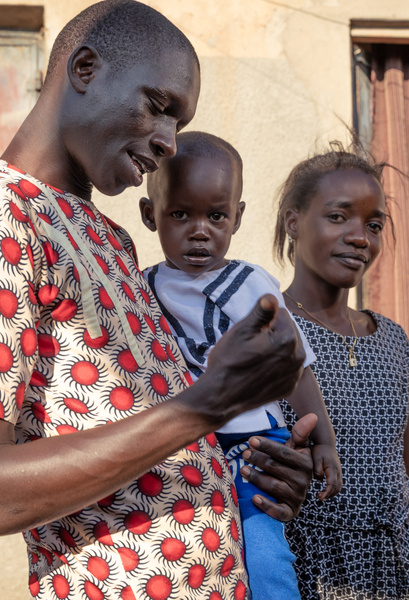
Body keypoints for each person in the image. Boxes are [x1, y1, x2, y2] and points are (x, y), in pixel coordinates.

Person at [0, 2, 315, 599]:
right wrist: (207, 405)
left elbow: (136, 433)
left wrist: (252, 469)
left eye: (179, 124)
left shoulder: (110, 240)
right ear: (85, 69)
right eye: (160, 107)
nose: (168, 143)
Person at [138, 131, 343, 600]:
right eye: (180, 214)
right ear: (151, 216)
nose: (199, 230)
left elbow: (297, 368)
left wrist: (325, 442)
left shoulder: (250, 284)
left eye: (216, 216)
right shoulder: (139, 288)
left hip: (254, 449)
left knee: (265, 556)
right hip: (178, 451)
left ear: (237, 217)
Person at [273, 146, 409, 600]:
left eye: (373, 225)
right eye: (339, 217)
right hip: (314, 567)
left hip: (402, 568)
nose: (361, 237)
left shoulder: (391, 339)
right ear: (294, 222)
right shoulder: (268, 330)